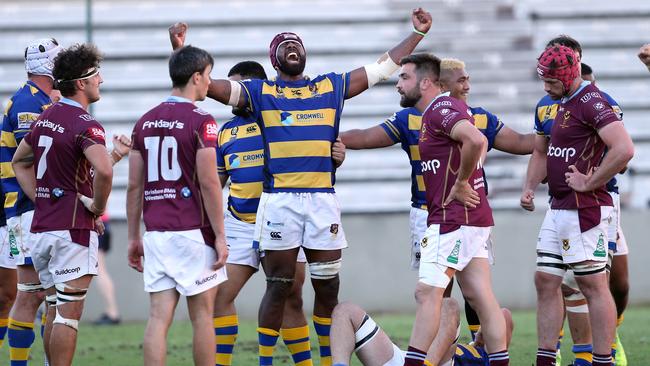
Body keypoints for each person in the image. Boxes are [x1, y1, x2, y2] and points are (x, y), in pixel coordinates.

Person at [169, 9, 432, 365]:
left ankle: (325, 361)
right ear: (274, 59)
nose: (292, 46)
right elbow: (208, 86)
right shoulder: (261, 93)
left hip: (323, 200)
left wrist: (416, 33)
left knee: (327, 288)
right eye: (284, 44)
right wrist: (180, 55)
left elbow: (383, 68)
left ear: (304, 54)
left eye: (297, 43)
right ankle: (265, 361)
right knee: (279, 285)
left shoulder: (329, 86)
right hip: (280, 203)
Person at [339, 57, 533, 342]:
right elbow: (368, 136)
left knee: (468, 292)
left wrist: (557, 136)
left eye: (467, 78)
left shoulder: (478, 117)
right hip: (427, 211)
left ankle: (470, 350)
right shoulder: (410, 118)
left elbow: (520, 143)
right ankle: (449, 351)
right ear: (441, 83)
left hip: (464, 208)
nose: (467, 84)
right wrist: (327, 137)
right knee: (442, 291)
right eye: (461, 79)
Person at [520, 44, 634, 366]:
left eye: (551, 81)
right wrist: (529, 187)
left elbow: (624, 149)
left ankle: (601, 359)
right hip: (558, 206)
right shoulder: (556, 104)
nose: (546, 88)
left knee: (593, 284)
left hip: (586, 209)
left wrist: (591, 180)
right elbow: (542, 151)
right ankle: (546, 358)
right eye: (544, 81)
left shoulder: (592, 101)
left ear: (569, 75)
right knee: (545, 280)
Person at [396, 53, 508, 366]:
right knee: (481, 296)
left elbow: (475, 139)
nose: (398, 85)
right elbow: (476, 143)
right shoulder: (448, 109)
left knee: (427, 294)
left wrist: (461, 183)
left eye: (404, 78)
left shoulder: (440, 108)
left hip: (453, 218)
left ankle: (414, 363)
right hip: (471, 217)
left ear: (427, 82)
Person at [126, 44, 228, 366]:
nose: (210, 84)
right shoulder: (202, 121)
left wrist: (133, 236)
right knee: (202, 317)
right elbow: (210, 183)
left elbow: (133, 185)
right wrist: (221, 235)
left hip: (156, 233)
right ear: (196, 77)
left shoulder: (144, 121)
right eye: (209, 76)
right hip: (193, 233)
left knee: (158, 318)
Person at [11, 42, 113, 366]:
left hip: (42, 229)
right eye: (97, 75)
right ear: (81, 82)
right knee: (68, 317)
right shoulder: (86, 124)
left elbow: (19, 161)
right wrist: (96, 208)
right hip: (72, 231)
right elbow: (105, 170)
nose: (102, 80)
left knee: (54, 309)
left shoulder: (46, 116)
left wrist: (39, 199)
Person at [0, 38, 62, 365]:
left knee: (38, 294)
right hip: (23, 211)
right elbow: (36, 157)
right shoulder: (27, 103)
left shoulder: (40, 100)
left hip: (30, 211)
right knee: (30, 294)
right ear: (50, 66)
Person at [329, 299, 514, 366]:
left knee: (449, 305)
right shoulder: (474, 346)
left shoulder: (490, 359)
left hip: (438, 363)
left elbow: (504, 315)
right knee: (344, 310)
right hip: (409, 359)